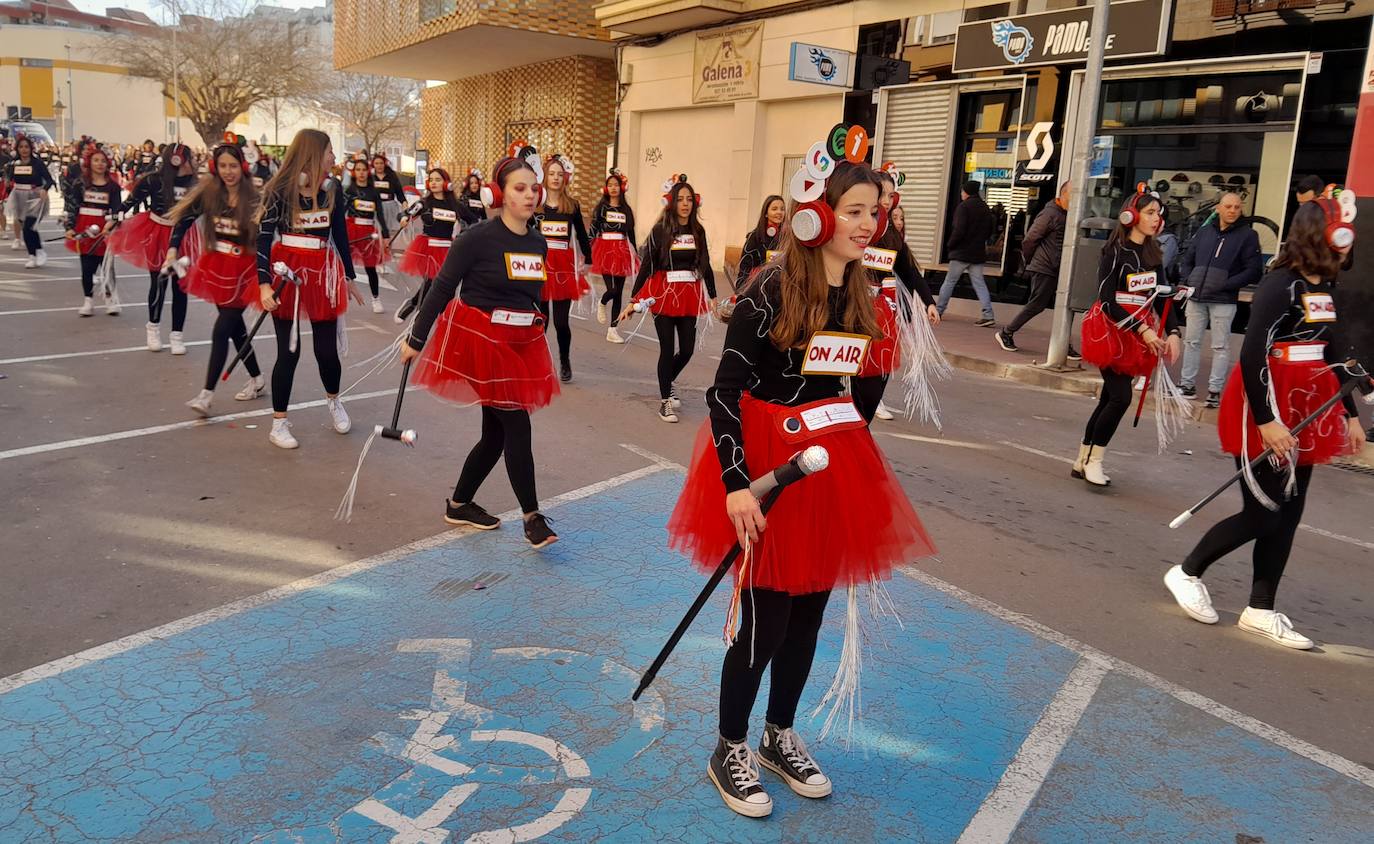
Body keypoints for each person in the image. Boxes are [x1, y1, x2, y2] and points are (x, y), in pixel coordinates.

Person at [665, 158, 935, 818]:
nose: (870, 225)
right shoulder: (770, 288)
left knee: (809, 614)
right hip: (766, 466)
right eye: (855, 212)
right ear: (817, 216)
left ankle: (777, 735)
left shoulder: (860, 290)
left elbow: (846, 381)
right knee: (765, 619)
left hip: (827, 463)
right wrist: (736, 486)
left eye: (876, 212)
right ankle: (728, 745)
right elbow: (723, 390)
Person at [1164, 198, 1366, 649]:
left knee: (1288, 515)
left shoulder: (1325, 287)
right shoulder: (1281, 284)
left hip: (1308, 405)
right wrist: (1267, 421)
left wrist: (1349, 413)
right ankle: (1187, 571)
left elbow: (1331, 352)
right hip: (1266, 402)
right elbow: (1254, 352)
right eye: (1339, 233)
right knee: (1264, 512)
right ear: (1319, 233)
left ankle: (1261, 608)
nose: (1346, 244)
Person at [400, 152, 559, 550]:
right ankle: (532, 517)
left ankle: (459, 503)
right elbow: (440, 289)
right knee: (517, 424)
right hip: (482, 342)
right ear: (499, 194)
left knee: (494, 434)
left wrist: (540, 323)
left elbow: (535, 296)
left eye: (533, 189)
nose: (529, 195)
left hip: (520, 344)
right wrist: (415, 339)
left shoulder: (538, 242)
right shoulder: (476, 239)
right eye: (519, 188)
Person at [254, 128, 363, 450]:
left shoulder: (332, 190)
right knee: (289, 351)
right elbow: (262, 238)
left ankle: (334, 400)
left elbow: (340, 235)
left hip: (323, 273)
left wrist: (349, 277)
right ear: (315, 153)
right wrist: (263, 285)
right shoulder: (279, 190)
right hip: (286, 271)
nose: (334, 157)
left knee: (326, 350)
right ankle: (279, 423)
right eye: (330, 151)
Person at [1075, 189, 1182, 485]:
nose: (1155, 218)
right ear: (1131, 216)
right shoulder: (1114, 251)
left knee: (1110, 397)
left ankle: (1083, 457)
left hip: (1137, 333)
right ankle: (1094, 460)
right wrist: (1144, 329)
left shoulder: (1153, 254)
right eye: (1149, 212)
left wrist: (1173, 331)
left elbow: (1163, 297)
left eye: (1158, 213)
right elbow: (1107, 299)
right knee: (1121, 397)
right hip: (1110, 330)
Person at [169, 143, 266, 416]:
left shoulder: (254, 198)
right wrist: (172, 249)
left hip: (244, 271)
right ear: (215, 167)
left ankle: (206, 394)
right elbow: (184, 218)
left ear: (243, 167)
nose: (228, 172)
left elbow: (267, 235)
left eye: (233, 166)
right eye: (223, 166)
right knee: (236, 330)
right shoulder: (210, 193)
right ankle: (257, 378)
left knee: (222, 329)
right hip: (217, 267)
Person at [622, 176, 718, 423]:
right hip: (663, 294)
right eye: (680, 199)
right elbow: (647, 265)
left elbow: (705, 265)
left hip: (689, 294)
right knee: (667, 348)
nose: (684, 204)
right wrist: (634, 298)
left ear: (694, 204)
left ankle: (668, 380)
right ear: (672, 202)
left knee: (686, 349)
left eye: (689, 199)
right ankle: (665, 401)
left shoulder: (698, 230)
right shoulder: (661, 229)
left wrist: (714, 296)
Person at [111, 143, 199, 354]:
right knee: (158, 283)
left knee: (181, 287)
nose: (194, 162)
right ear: (177, 160)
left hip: (184, 235)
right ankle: (153, 327)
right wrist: (114, 219)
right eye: (190, 158)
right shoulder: (153, 180)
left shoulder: (195, 185)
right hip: (157, 233)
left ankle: (177, 335)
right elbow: (130, 202)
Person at [1178, 192, 1263, 407]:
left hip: (1223, 300)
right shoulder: (1204, 232)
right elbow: (1187, 259)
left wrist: (1225, 285)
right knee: (1191, 341)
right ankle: (1186, 385)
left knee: (1220, 346)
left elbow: (1254, 270)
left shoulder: (1248, 236)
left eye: (1237, 207)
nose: (1232, 210)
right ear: (1218, 208)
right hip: (1196, 296)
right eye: (1228, 206)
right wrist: (1189, 279)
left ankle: (1214, 391)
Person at [996, 182, 1079, 358]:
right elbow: (1030, 240)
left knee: (1066, 306)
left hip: (1060, 268)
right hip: (1045, 267)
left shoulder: (1067, 214)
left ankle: (1064, 343)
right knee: (1037, 304)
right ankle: (1006, 332)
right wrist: (1031, 261)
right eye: (1074, 194)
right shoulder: (1050, 214)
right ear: (1063, 194)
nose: (1077, 198)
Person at [537, 155, 592, 382]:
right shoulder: (536, 205)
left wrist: (587, 259)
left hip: (562, 268)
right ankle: (538, 362)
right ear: (544, 177)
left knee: (561, 322)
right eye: (552, 174)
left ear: (565, 178)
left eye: (560, 174)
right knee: (541, 320)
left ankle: (565, 360)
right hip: (539, 266)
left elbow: (581, 234)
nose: (556, 178)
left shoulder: (572, 206)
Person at [394, 168, 463, 323]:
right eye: (431, 179)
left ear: (446, 183)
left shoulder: (454, 205)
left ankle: (441, 318)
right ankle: (414, 305)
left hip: (448, 249)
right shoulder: (424, 203)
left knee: (448, 286)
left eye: (438, 179)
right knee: (434, 282)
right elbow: (405, 214)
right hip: (429, 247)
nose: (433, 183)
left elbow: (472, 219)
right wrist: (404, 218)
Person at [63, 146, 121, 316]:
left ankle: (111, 300)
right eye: (96, 160)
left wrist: (110, 227)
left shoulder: (113, 187)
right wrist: (70, 228)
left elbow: (118, 211)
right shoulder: (80, 183)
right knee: (86, 266)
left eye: (103, 161)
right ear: (89, 162)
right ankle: (88, 301)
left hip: (105, 228)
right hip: (85, 228)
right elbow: (72, 207)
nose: (100, 164)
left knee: (106, 267)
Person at [935, 180, 996, 326]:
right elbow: (989, 231)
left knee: (949, 282)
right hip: (977, 253)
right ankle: (988, 315)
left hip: (961, 253)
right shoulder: (985, 207)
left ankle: (938, 310)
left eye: (963, 191)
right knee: (979, 283)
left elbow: (959, 230)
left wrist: (950, 245)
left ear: (967, 192)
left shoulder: (963, 207)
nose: (961, 193)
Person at [589, 170, 637, 344]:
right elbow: (593, 229)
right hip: (605, 250)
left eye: (616, 185)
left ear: (621, 188)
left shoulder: (626, 209)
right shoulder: (601, 208)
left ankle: (613, 329)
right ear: (606, 188)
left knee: (618, 294)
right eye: (610, 185)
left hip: (622, 250)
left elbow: (631, 232)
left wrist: (635, 252)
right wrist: (586, 249)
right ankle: (602, 302)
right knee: (613, 289)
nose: (613, 188)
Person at [343, 158, 392, 314]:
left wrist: (385, 235)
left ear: (368, 172)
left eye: (364, 170)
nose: (361, 173)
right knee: (343, 264)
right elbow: (340, 212)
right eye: (358, 169)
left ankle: (376, 299)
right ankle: (340, 296)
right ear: (353, 172)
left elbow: (380, 215)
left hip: (369, 233)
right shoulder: (349, 190)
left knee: (370, 267)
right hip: (351, 229)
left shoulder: (374, 191)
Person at [5, 136, 56, 268]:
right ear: (17, 148)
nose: (24, 149)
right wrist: (7, 184)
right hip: (19, 197)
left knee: (29, 226)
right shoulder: (13, 163)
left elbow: (49, 180)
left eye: (26, 147)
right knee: (28, 228)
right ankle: (35, 253)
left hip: (35, 198)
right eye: (21, 147)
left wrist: (44, 189)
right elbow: (9, 179)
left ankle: (34, 254)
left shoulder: (37, 163)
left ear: (31, 148)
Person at [735, 195, 783, 288]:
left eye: (782, 209)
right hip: (758, 286)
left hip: (781, 286)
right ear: (766, 213)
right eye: (774, 209)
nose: (779, 212)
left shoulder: (788, 237)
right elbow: (745, 264)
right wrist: (740, 289)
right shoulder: (755, 236)